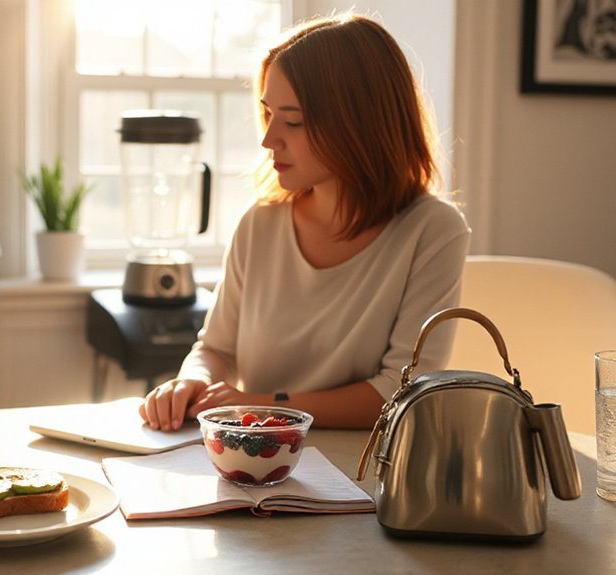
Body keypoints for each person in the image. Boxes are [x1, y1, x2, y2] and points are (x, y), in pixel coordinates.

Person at [139, 13, 470, 431]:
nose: (268, 138)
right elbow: (217, 349)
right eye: (268, 114)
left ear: (357, 124)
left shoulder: (433, 231)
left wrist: (262, 405)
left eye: (292, 121)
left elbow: (399, 392)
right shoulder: (259, 224)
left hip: (364, 473)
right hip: (258, 464)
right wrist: (192, 382)